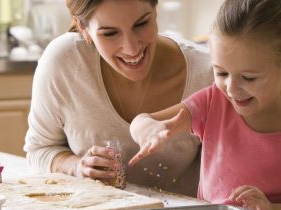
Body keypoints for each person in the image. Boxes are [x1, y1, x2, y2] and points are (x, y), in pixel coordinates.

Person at [128, 0, 281, 210]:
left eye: (248, 78)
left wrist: (272, 209)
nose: (232, 89)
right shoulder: (213, 102)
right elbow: (142, 121)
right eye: (221, 73)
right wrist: (149, 129)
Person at [24, 0, 214, 196]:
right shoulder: (63, 61)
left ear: (155, 11)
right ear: (84, 28)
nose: (131, 48)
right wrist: (78, 167)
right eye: (109, 33)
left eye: (141, 24)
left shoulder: (209, 73)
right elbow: (39, 150)